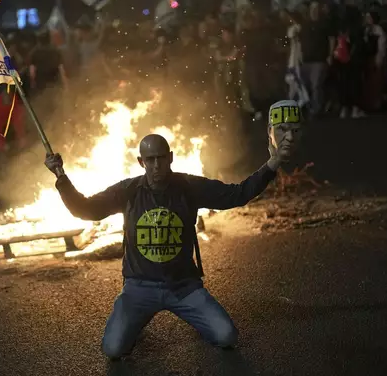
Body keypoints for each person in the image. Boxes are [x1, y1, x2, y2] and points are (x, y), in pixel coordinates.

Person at [44, 100, 302, 359]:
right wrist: (61, 178)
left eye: (161, 159)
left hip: (184, 286)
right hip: (139, 287)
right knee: (113, 349)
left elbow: (237, 194)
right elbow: (86, 210)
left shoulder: (188, 187)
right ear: (141, 162)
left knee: (226, 336)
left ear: (170, 158)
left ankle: (181, 319)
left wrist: (272, 164)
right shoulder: (128, 191)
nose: (157, 166)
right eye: (150, 160)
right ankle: (134, 323)